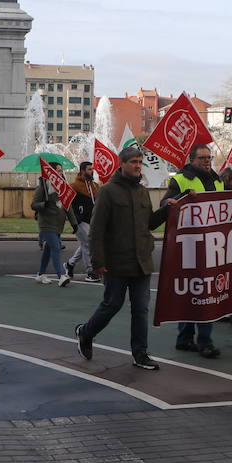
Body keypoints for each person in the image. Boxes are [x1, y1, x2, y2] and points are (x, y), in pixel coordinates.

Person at [74, 146, 169, 371]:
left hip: (141, 262)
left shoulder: (142, 191)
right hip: (116, 262)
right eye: (134, 162)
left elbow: (149, 223)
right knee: (111, 305)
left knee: (141, 309)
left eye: (140, 162)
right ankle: (85, 332)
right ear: (122, 164)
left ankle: (140, 354)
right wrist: (97, 262)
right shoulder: (108, 191)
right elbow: (96, 229)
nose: (138, 166)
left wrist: (167, 209)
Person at [164, 145, 223, 359]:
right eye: (202, 158)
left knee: (205, 293)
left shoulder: (217, 180)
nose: (207, 161)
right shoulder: (180, 179)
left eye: (209, 157)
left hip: (212, 244)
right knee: (196, 292)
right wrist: (181, 197)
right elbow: (166, 203)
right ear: (192, 160)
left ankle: (186, 339)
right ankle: (202, 342)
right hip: (189, 244)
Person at [32, 170, 76, 285]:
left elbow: (68, 206)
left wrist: (74, 223)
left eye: (61, 171)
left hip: (58, 224)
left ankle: (40, 275)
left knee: (48, 250)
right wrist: (43, 204)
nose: (60, 173)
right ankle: (61, 276)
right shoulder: (44, 187)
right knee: (56, 247)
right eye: (57, 170)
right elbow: (34, 204)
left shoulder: (62, 188)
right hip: (46, 224)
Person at [65, 162, 98, 282]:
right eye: (89, 169)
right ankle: (91, 271)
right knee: (88, 243)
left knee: (85, 244)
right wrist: (74, 219)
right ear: (82, 171)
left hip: (92, 221)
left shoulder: (95, 186)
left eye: (92, 169)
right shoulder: (74, 186)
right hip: (80, 221)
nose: (92, 171)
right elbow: (67, 203)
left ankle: (70, 264)